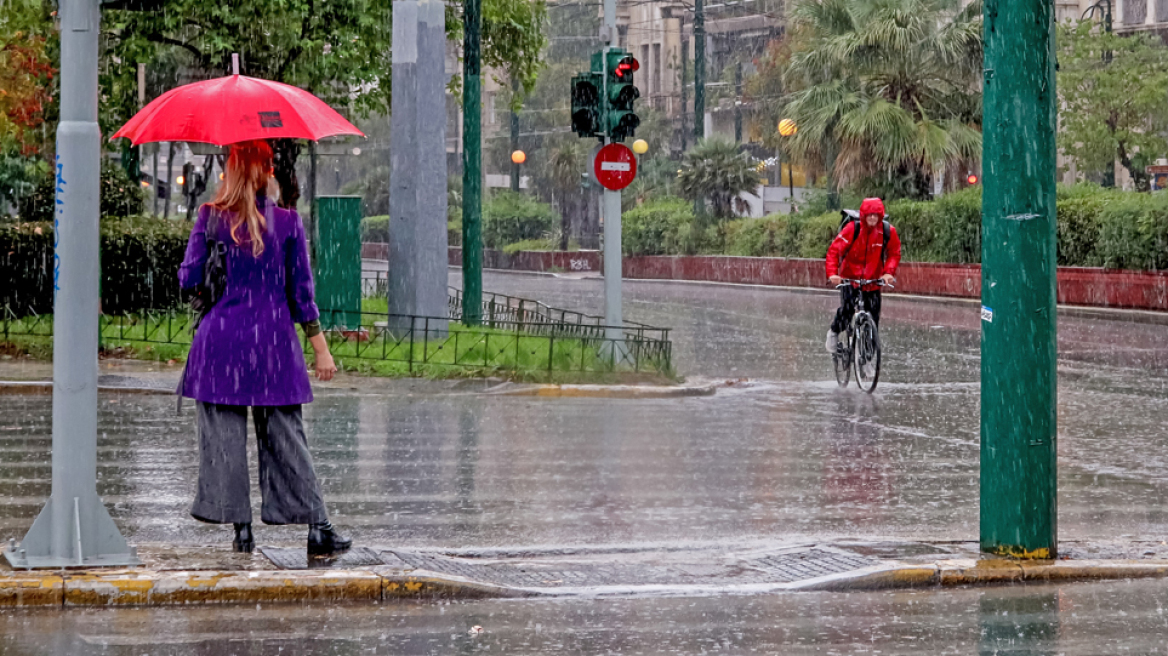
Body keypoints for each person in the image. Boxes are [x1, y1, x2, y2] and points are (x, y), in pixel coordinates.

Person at [178, 140, 352, 557]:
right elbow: (302, 294)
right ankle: (318, 527)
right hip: (273, 346)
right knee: (287, 439)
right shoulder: (289, 223)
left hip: (220, 346)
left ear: (232, 171)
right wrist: (321, 351)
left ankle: (241, 530)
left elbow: (188, 280)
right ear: (266, 172)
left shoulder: (210, 218)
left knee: (223, 440)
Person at [825, 197, 902, 353]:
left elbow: (894, 253)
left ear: (881, 216)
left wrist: (888, 273)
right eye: (869, 215)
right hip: (850, 279)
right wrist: (833, 274)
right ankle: (834, 332)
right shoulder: (853, 229)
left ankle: (868, 356)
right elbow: (834, 251)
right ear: (864, 215)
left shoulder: (887, 231)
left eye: (876, 215)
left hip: (872, 281)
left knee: (873, 319)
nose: (873, 218)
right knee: (846, 311)